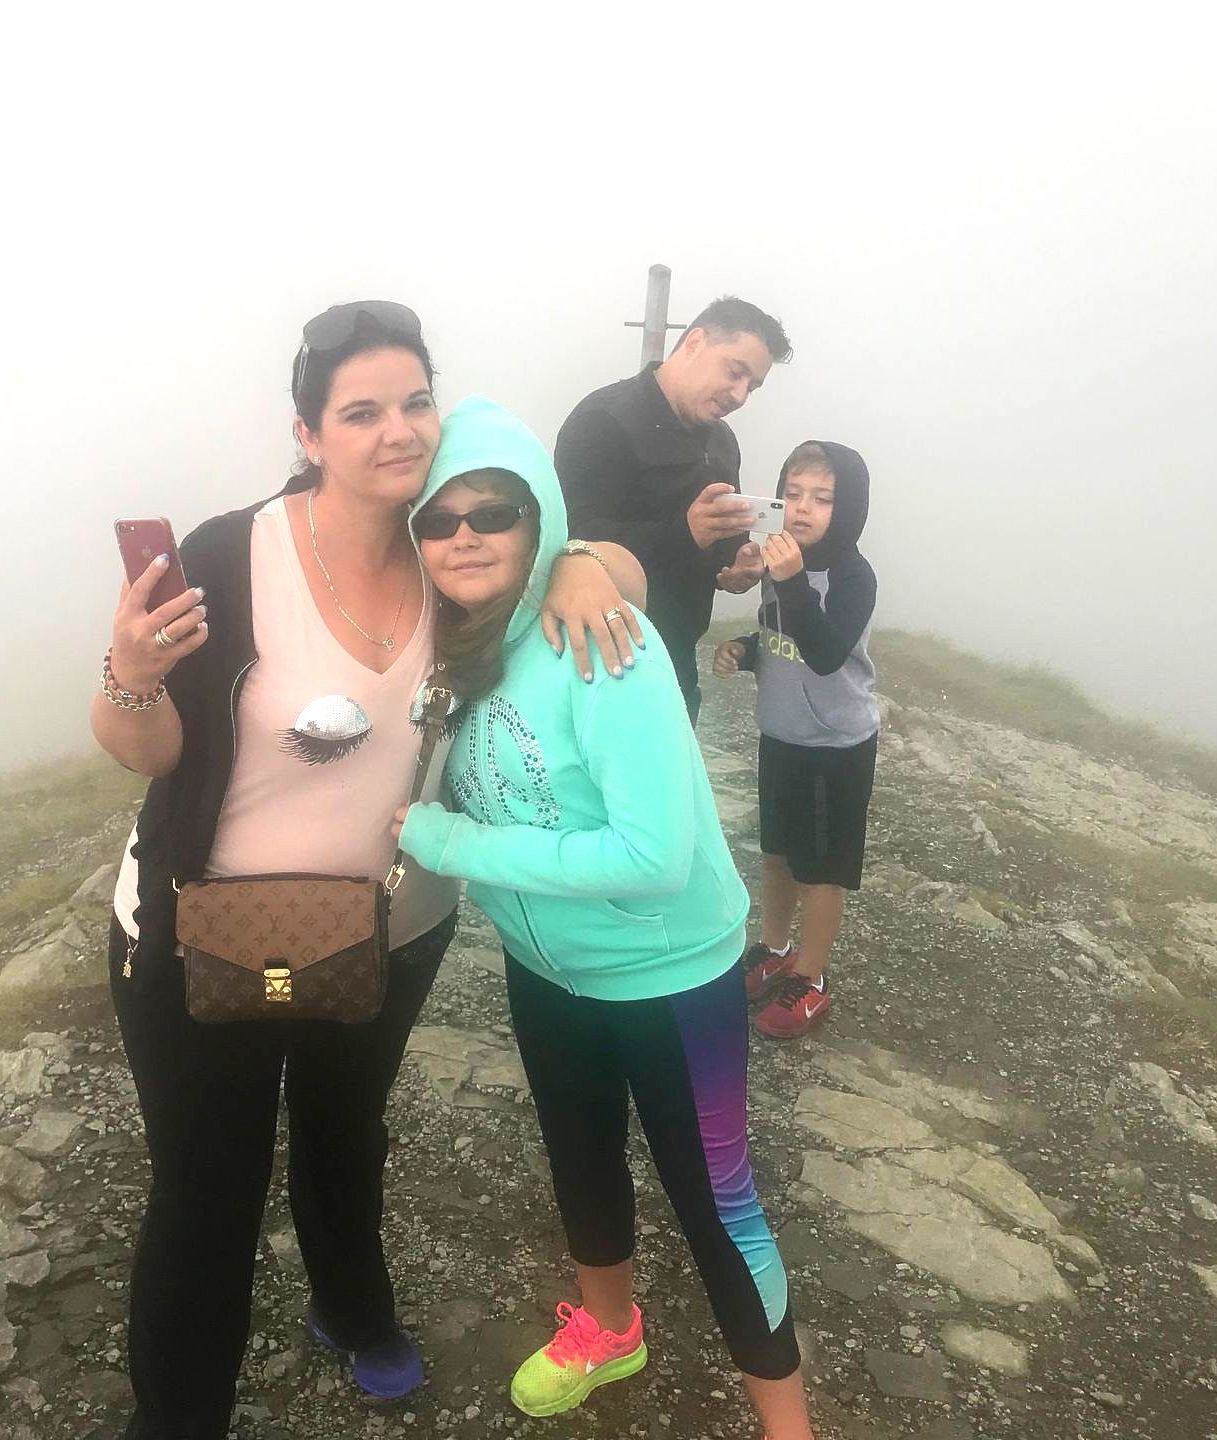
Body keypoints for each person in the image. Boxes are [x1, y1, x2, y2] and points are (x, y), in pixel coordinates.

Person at [90, 303, 645, 1439]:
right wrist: (133, 674)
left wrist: (583, 559)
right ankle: (178, 1417)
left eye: (414, 401)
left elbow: (614, 555)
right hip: (205, 929)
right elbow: (145, 751)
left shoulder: (457, 543)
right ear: (309, 433)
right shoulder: (225, 557)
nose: (397, 430)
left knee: (349, 1129)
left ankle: (350, 1306)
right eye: (361, 411)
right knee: (208, 1189)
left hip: (387, 925)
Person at [395, 396, 815, 1440]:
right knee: (579, 1160)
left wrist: (445, 844)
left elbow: (652, 854)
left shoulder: (597, 636)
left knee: (717, 1206)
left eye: (495, 512)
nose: (465, 537)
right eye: (438, 521)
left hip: (670, 978)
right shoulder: (449, 646)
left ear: (538, 518)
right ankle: (612, 1328)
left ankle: (793, 1428)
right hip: (548, 970)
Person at [555, 295, 792, 722]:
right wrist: (684, 533)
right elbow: (572, 542)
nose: (740, 395)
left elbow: (717, 542)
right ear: (696, 341)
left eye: (752, 386)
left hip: (678, 663)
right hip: (599, 663)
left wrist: (734, 565)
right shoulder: (602, 421)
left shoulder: (722, 442)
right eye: (735, 372)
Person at [712, 441, 878, 1040]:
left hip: (835, 746)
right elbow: (778, 633)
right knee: (777, 852)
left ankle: (811, 977)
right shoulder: (782, 563)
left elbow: (827, 653)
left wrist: (794, 581)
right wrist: (745, 651)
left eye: (823, 498)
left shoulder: (853, 576)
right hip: (780, 735)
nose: (803, 509)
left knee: (821, 868)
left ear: (851, 506)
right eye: (794, 494)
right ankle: (774, 948)